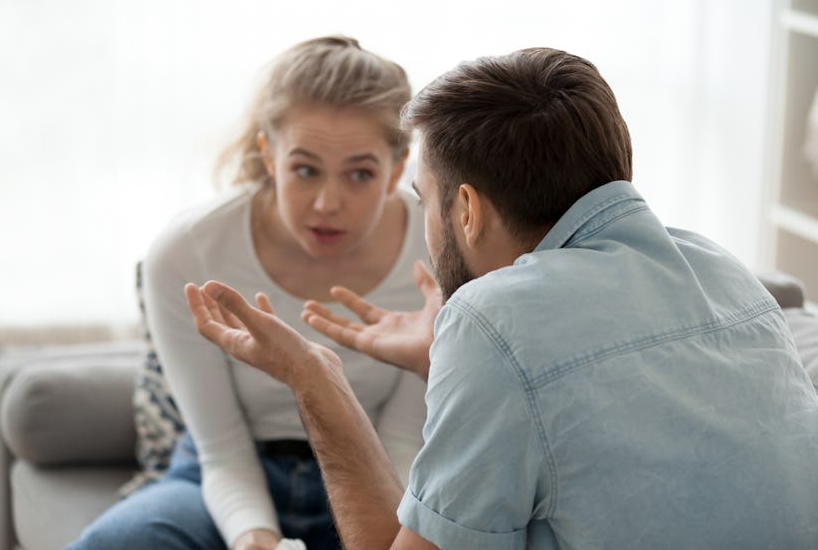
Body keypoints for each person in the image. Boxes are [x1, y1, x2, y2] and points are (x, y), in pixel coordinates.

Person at [185, 47, 818, 549]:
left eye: (422, 199)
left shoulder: (494, 320)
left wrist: (315, 379)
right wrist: (445, 359)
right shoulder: (722, 268)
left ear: (465, 209)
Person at [68, 36, 430, 550]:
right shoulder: (187, 251)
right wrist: (254, 540)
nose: (328, 202)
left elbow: (401, 439)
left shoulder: (435, 250)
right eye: (305, 170)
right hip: (221, 473)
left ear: (397, 169)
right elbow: (220, 449)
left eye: (360, 174)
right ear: (268, 155)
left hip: (366, 465)